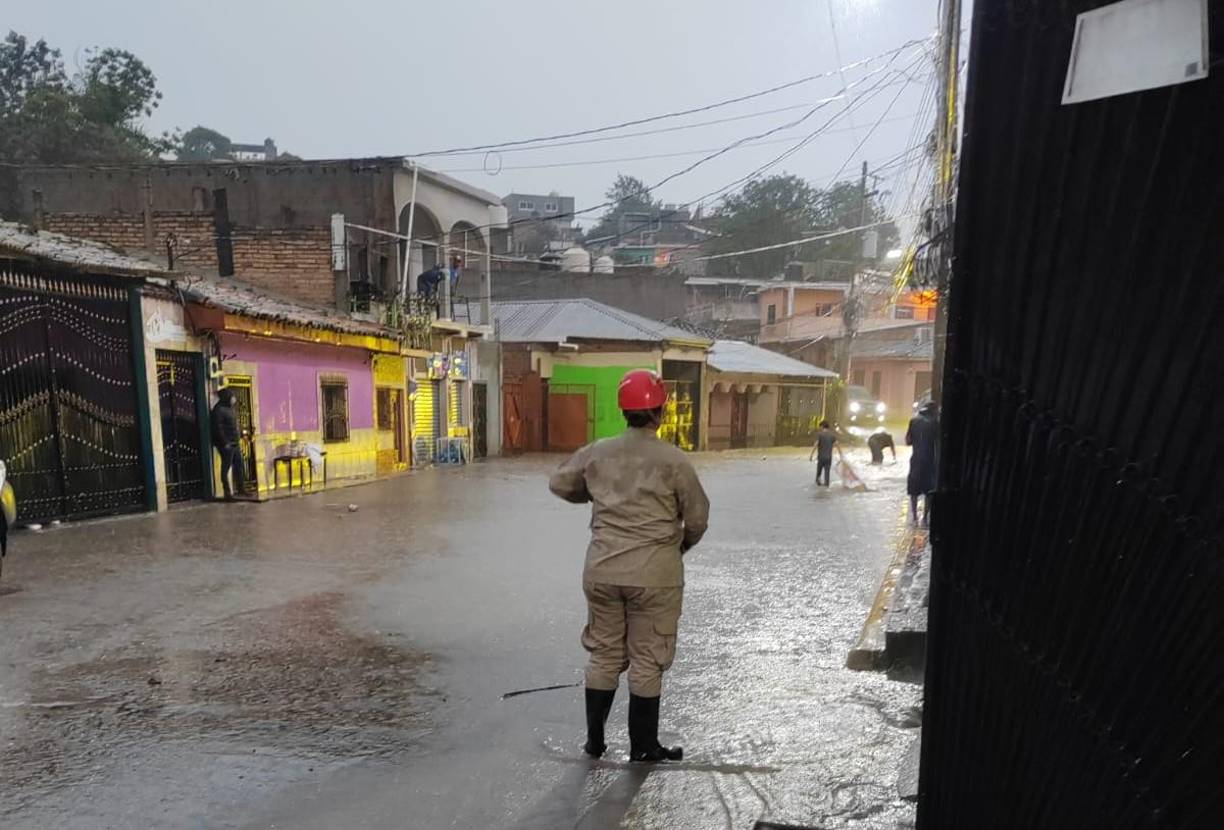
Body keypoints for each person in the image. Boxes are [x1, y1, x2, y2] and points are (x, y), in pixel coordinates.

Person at [549, 369, 710, 763]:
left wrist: (595, 495)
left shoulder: (597, 452)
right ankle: (643, 747)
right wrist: (677, 548)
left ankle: (595, 742)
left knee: (604, 655)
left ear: (625, 410)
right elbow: (698, 519)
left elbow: (560, 483)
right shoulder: (673, 460)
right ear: (660, 411)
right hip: (655, 574)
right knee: (647, 658)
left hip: (601, 569)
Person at [906, 401, 939, 526]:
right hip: (929, 460)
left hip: (915, 460)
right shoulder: (935, 423)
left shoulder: (913, 421)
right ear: (934, 411)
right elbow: (938, 442)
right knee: (929, 490)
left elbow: (908, 441)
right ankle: (925, 518)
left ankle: (914, 517)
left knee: (913, 489)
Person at [211, 388, 245, 500]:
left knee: (239, 465)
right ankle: (227, 492)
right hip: (227, 444)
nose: (234, 399)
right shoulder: (218, 410)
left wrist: (239, 435)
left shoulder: (230, 409)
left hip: (235, 442)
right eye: (232, 397)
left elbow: (234, 425)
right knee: (226, 467)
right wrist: (224, 442)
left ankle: (241, 488)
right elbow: (218, 428)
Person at [809, 420, 838, 486]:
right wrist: (841, 455)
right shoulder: (832, 435)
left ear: (822, 426)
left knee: (818, 473)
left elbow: (816, 445)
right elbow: (837, 445)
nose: (819, 428)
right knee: (827, 474)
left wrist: (811, 455)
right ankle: (826, 486)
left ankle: (818, 484)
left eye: (820, 427)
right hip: (829, 458)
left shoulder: (820, 435)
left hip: (821, 458)